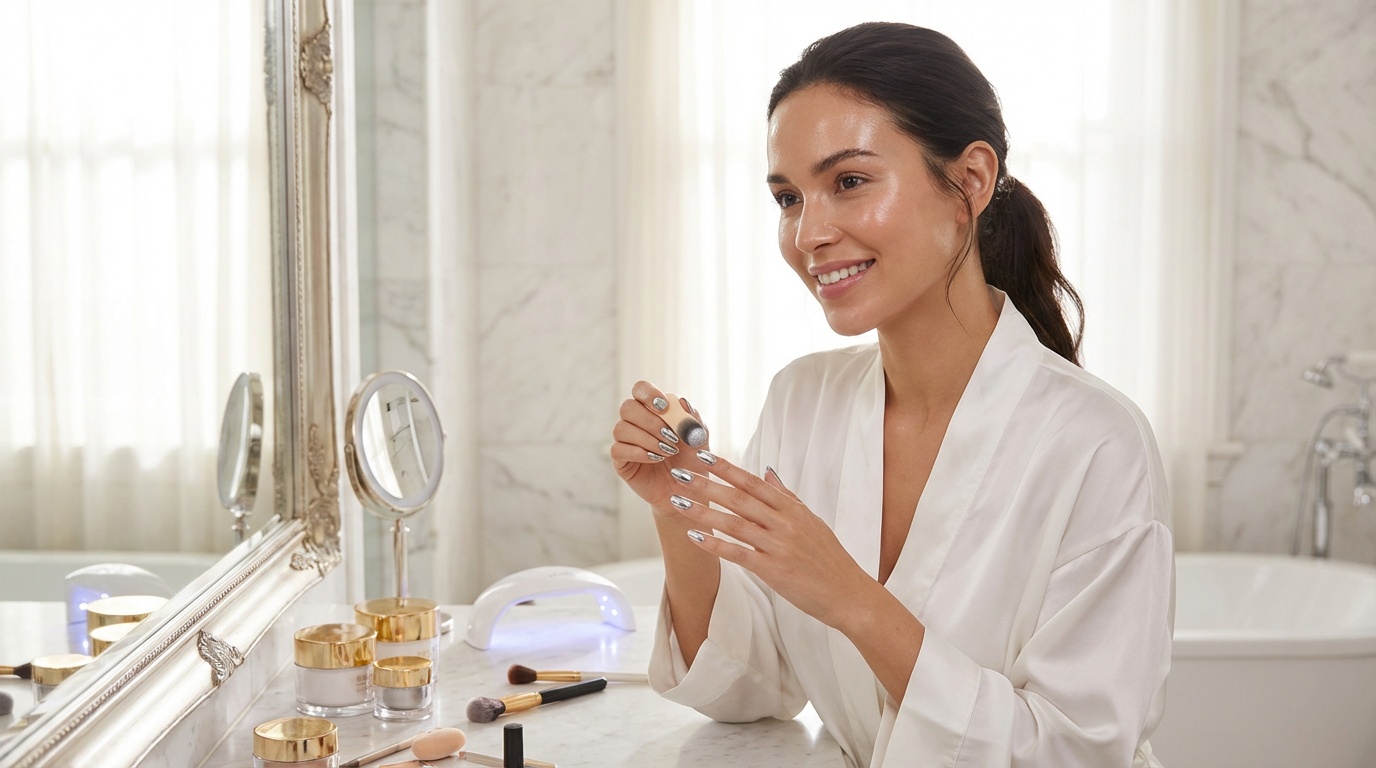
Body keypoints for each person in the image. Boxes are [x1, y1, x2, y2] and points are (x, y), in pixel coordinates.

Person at [609, 21, 1173, 768]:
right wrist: (682, 506)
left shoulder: (1097, 442)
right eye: (788, 198)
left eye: (848, 181)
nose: (808, 234)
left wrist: (852, 597)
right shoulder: (803, 400)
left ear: (970, 182)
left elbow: (1075, 751)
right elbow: (751, 689)